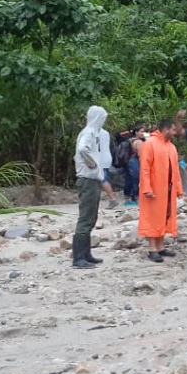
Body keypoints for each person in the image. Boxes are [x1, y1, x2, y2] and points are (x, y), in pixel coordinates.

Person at [138, 118, 184, 263]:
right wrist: (146, 188)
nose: (175, 133)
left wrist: (177, 188)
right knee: (153, 217)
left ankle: (160, 246)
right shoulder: (150, 144)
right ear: (166, 129)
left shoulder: (171, 147)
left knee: (164, 216)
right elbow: (144, 168)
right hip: (154, 189)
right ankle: (152, 249)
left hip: (168, 189)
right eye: (173, 130)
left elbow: (175, 170)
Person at [72, 106, 108, 269]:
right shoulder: (88, 133)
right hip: (87, 179)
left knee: (91, 217)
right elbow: (82, 149)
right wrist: (92, 163)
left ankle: (86, 254)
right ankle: (79, 257)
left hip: (91, 179)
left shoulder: (92, 133)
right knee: (86, 218)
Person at [124, 122, 147, 206]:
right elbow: (141, 154)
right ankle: (136, 197)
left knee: (130, 180)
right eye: (141, 131)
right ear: (136, 132)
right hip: (135, 162)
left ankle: (129, 197)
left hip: (129, 162)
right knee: (136, 180)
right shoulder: (138, 142)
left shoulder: (131, 140)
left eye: (143, 131)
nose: (142, 133)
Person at [98, 126, 119, 209]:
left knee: (102, 179)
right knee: (102, 178)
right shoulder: (105, 132)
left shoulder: (95, 132)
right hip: (106, 157)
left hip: (101, 158)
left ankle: (113, 199)